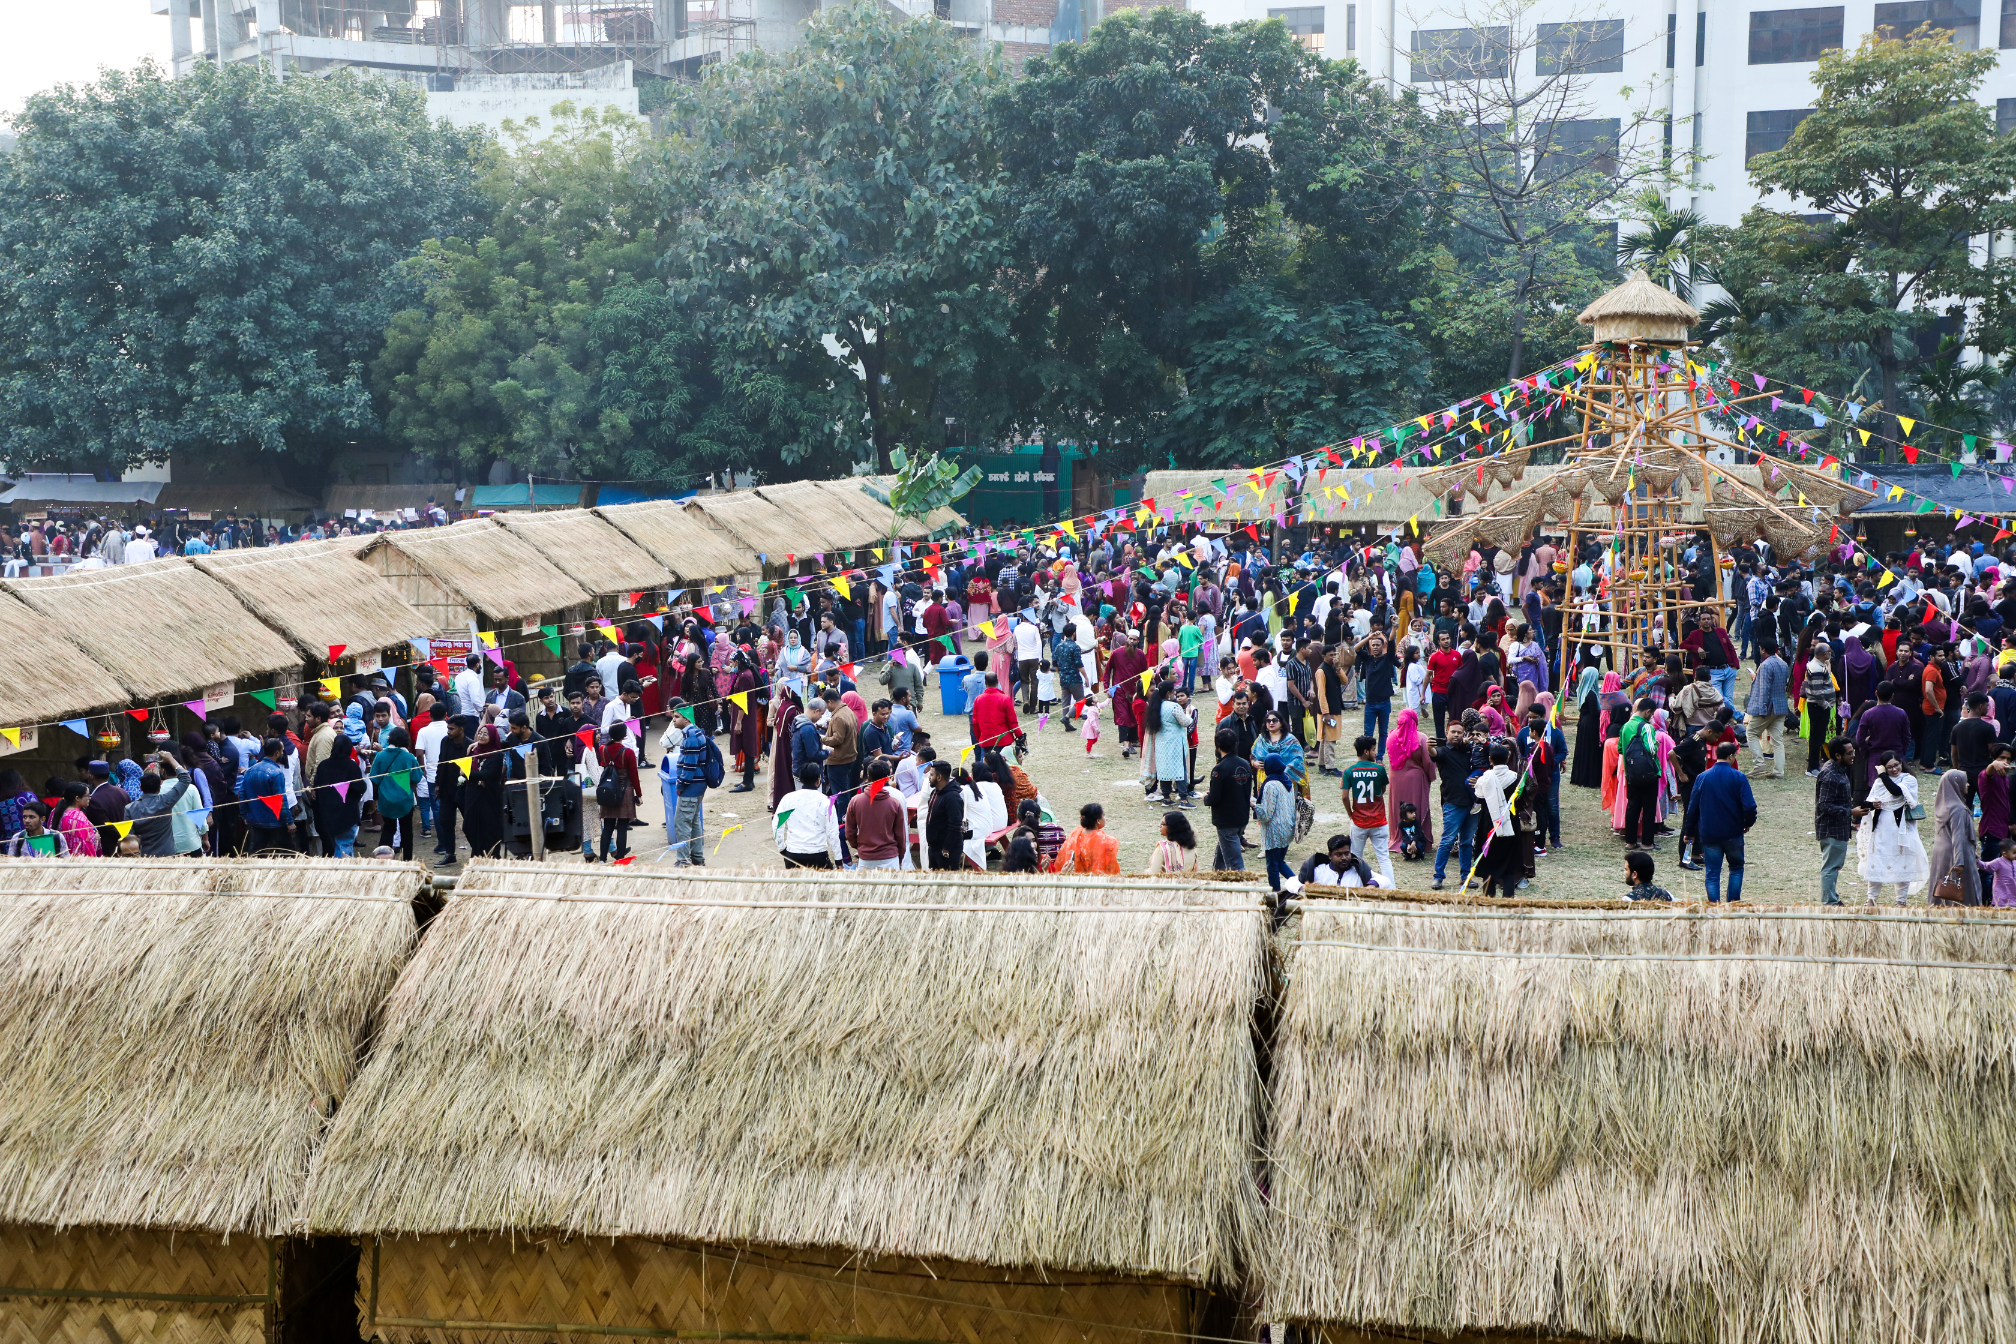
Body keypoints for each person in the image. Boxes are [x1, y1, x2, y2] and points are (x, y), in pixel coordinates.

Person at [1681, 740, 1757, 903]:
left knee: (1712, 873)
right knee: (1736, 868)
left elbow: (1692, 808)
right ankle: (1733, 905)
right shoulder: (1738, 777)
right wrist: (1747, 823)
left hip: (1709, 833)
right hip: (1733, 832)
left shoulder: (1702, 777)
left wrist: (1689, 832)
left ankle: (1714, 908)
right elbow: (1749, 806)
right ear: (1730, 756)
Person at [1859, 751, 1929, 906]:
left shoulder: (1908, 780)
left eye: (1896, 765)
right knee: (1877, 861)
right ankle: (1871, 898)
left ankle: (1901, 901)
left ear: (1901, 763)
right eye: (1889, 767)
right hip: (1882, 828)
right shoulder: (1878, 783)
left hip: (1901, 827)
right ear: (1885, 768)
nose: (1894, 769)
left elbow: (1896, 792)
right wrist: (1873, 804)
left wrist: (1883, 775)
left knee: (1902, 862)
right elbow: (1867, 803)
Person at [1341, 735, 1395, 889]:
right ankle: (1391, 890)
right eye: (1373, 749)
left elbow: (1344, 796)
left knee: (1355, 858)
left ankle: (1355, 889)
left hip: (1359, 822)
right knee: (1384, 858)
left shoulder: (1349, 771)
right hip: (1379, 821)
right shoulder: (1379, 769)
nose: (1375, 752)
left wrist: (1350, 813)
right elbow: (1382, 790)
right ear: (1365, 751)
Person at [1813, 737, 1862, 906]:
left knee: (1834, 866)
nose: (1853, 755)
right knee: (1831, 867)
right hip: (1831, 829)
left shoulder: (1838, 770)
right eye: (1849, 753)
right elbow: (1824, 805)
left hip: (1838, 828)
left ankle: (1831, 897)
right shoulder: (1830, 775)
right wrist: (1851, 812)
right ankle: (1829, 902)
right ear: (1837, 755)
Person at [1927, 767, 1983, 906]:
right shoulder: (1958, 809)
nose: (1968, 785)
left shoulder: (1944, 804)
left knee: (1942, 885)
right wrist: (1959, 862)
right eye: (1965, 782)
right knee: (1962, 889)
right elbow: (1957, 836)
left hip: (1941, 853)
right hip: (1956, 853)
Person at [1431, 720, 1476, 891]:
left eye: (1459, 732)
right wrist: (1429, 747)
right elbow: (1434, 753)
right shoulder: (1443, 752)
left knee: (1466, 842)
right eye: (1453, 732)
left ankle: (1466, 876)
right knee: (1447, 841)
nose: (1456, 735)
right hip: (1453, 803)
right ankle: (1438, 876)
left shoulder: (1470, 750)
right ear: (1447, 733)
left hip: (1473, 803)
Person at [1475, 742, 1522, 897]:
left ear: (1490, 759)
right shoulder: (1517, 778)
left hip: (1488, 825)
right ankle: (1508, 901)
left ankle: (1488, 900)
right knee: (1508, 864)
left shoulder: (1484, 780)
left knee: (1488, 862)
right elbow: (1521, 800)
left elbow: (1479, 800)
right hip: (1510, 824)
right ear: (1507, 758)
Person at [775, 762, 842, 868]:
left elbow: (777, 825)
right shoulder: (826, 802)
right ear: (819, 780)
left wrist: (782, 849)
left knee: (795, 884)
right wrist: (839, 861)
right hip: (818, 855)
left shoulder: (788, 799)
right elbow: (832, 833)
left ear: (800, 779)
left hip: (793, 853)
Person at [1204, 727, 1253, 871]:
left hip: (1226, 820)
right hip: (1242, 817)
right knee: (1224, 850)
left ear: (1218, 746)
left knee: (1235, 864)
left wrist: (1206, 797)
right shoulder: (1245, 764)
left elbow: (1214, 798)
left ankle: (1243, 889)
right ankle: (1217, 876)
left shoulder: (1220, 769)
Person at [846, 760, 910, 870]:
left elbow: (849, 832)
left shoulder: (855, 801)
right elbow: (901, 835)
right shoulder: (894, 803)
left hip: (866, 857)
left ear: (869, 779)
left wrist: (860, 847)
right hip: (890, 858)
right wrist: (900, 856)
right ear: (888, 777)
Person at [310, 737, 366, 857]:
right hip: (347, 814)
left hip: (327, 813)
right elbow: (361, 787)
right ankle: (341, 874)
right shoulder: (351, 766)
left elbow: (317, 787)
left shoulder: (323, 765)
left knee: (338, 845)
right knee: (344, 847)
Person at [370, 727, 420, 861]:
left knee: (388, 829)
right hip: (405, 800)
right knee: (407, 831)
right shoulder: (409, 757)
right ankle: (407, 860)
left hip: (385, 800)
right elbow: (417, 777)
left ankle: (381, 861)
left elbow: (373, 777)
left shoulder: (380, 756)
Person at [1618, 698, 1661, 850]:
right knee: (1649, 808)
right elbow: (1652, 749)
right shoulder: (1647, 727)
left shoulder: (1625, 726)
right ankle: (1647, 842)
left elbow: (1621, 749)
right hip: (1648, 773)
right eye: (1652, 713)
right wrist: (1656, 744)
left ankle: (1630, 841)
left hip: (1631, 773)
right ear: (1648, 711)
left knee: (1632, 806)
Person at [1744, 641, 1791, 778]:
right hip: (1781, 706)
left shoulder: (1765, 665)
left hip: (1768, 707)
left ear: (1763, 650)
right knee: (1778, 741)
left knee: (1751, 733)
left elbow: (1764, 690)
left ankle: (1759, 765)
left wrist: (1763, 710)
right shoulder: (1783, 663)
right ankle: (1778, 771)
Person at [1255, 760, 1297, 894]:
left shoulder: (1271, 785)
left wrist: (1254, 805)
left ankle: (1276, 894)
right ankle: (1299, 885)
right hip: (1287, 828)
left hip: (1274, 831)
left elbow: (1266, 814)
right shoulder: (1287, 781)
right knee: (1279, 862)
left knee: (1272, 865)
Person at [1052, 801, 1120, 874]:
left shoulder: (1075, 833)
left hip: (1075, 879)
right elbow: (1111, 868)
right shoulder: (1108, 841)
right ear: (1098, 821)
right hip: (1097, 881)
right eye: (1103, 816)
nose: (1105, 818)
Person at [923, 760, 966, 871]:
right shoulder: (934, 792)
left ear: (939, 777)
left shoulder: (952, 797)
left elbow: (955, 826)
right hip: (934, 847)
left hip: (947, 850)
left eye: (931, 775)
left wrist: (946, 849)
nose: (929, 777)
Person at [1983, 835, 2016, 908]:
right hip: (2001, 899)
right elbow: (1987, 866)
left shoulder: (2015, 862)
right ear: (2005, 854)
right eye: (2014, 853)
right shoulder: (1998, 862)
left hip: (2014, 897)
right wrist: (1977, 862)